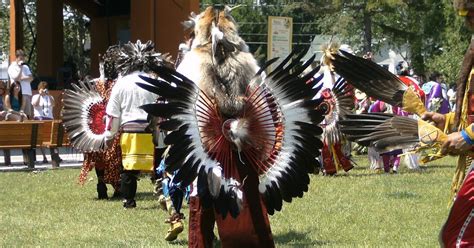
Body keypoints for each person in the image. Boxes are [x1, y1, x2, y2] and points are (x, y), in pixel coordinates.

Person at [103, 40, 165, 209]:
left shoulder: (121, 84)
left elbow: (112, 113)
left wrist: (109, 135)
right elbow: (163, 106)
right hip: (153, 131)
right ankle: (164, 197)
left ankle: (128, 201)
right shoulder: (154, 81)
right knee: (158, 167)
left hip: (130, 132)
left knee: (128, 168)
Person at [8, 49, 33, 119]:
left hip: (27, 93)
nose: (22, 60)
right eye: (21, 58)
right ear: (16, 58)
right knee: (18, 114)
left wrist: (22, 78)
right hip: (18, 93)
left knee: (27, 115)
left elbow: (31, 78)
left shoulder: (26, 67)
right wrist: (20, 69)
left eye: (23, 58)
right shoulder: (12, 67)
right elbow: (16, 78)